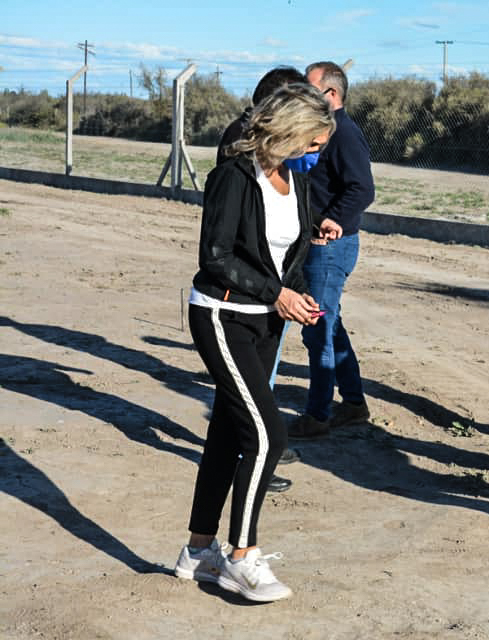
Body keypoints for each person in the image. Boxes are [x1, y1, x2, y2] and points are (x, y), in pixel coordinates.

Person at [174, 83, 335, 603]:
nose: (318, 153)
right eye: (312, 143)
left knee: (227, 431)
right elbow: (215, 258)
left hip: (267, 321)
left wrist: (301, 298)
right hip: (221, 315)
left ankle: (198, 551)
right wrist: (278, 294)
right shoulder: (232, 177)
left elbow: (288, 257)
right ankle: (241, 558)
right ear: (287, 133)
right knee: (268, 436)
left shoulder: (297, 182)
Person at [217, 65, 313, 491]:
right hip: (239, 303)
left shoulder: (288, 165)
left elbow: (284, 234)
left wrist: (296, 289)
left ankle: (250, 453)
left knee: (243, 400)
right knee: (250, 403)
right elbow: (225, 250)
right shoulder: (240, 155)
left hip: (268, 304)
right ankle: (253, 458)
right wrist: (278, 292)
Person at [288, 61, 375, 440]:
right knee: (330, 324)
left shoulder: (344, 134)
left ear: (332, 94)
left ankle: (318, 415)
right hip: (316, 245)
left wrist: (334, 219)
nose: (303, 97)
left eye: (310, 90)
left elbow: (362, 189)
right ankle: (354, 404)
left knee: (318, 329)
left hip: (331, 248)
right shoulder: (323, 130)